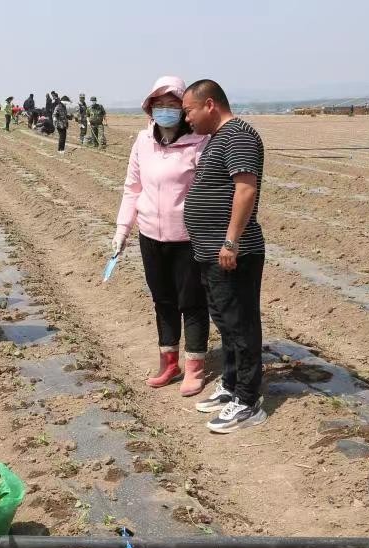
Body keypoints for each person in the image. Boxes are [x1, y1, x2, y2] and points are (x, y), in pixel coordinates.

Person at [113, 76, 211, 396]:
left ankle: (195, 366)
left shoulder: (199, 142)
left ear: (184, 110)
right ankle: (169, 361)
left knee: (192, 302)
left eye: (172, 105)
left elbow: (209, 192)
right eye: (160, 105)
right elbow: (132, 188)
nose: (165, 111)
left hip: (188, 238)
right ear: (150, 108)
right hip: (151, 236)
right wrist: (122, 229)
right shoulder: (143, 141)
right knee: (163, 299)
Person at [182, 80, 266, 433]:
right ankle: (231, 387)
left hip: (234, 252)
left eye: (189, 110)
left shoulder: (239, 136)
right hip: (210, 252)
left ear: (210, 104)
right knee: (226, 323)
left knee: (241, 325)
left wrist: (231, 242)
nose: (186, 119)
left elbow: (246, 188)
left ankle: (249, 401)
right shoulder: (219, 138)